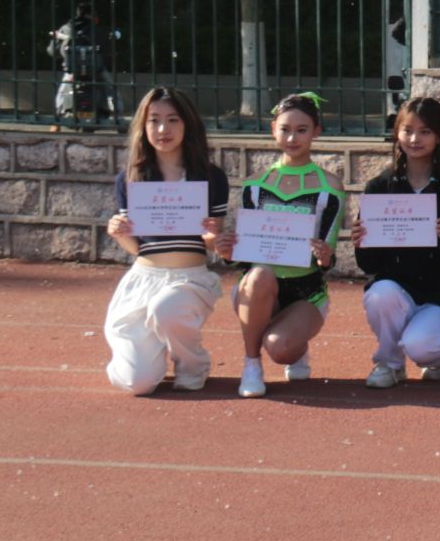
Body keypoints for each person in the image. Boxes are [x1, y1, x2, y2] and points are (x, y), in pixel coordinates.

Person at [101, 87, 228, 395]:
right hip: (143, 279)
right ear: (142, 126)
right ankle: (146, 352)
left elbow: (213, 245)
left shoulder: (211, 177)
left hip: (189, 280)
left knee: (167, 308)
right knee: (136, 383)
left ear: (187, 124)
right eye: (154, 120)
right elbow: (138, 248)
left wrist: (213, 237)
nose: (163, 129)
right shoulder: (130, 178)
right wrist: (121, 234)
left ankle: (193, 363)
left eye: (173, 120)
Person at [224, 93, 344, 399]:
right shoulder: (254, 185)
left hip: (306, 290)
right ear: (273, 130)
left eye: (302, 130)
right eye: (285, 129)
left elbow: (327, 260)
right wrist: (228, 251)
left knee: (279, 347)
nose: (292, 138)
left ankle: (295, 345)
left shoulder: (330, 187)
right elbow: (245, 254)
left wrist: (325, 256)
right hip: (259, 286)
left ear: (316, 131)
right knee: (259, 274)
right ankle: (251, 364)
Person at [350, 96, 440, 389]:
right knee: (380, 294)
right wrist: (362, 242)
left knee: (421, 346)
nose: (415, 139)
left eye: (425, 131)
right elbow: (368, 265)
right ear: (397, 133)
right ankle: (389, 364)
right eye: (407, 130)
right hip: (398, 288)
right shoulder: (379, 187)